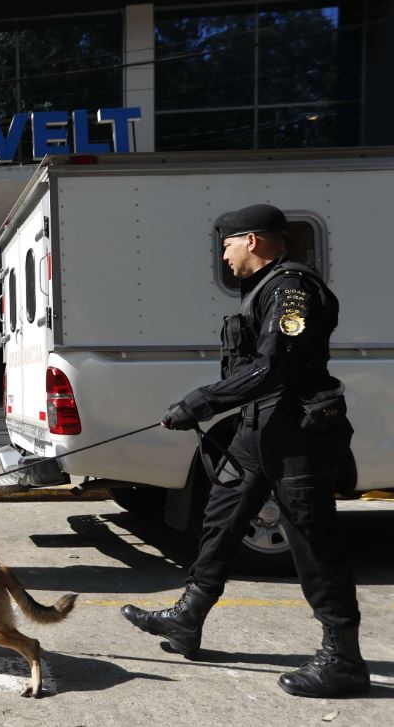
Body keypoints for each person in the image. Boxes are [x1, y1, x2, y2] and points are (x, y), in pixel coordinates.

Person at [119, 204, 369, 698]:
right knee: (221, 520)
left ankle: (343, 659)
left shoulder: (293, 289)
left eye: (228, 244)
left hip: (297, 432)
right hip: (260, 430)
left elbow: (275, 365)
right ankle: (187, 619)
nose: (224, 254)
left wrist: (202, 401)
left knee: (312, 541)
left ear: (252, 240)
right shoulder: (262, 290)